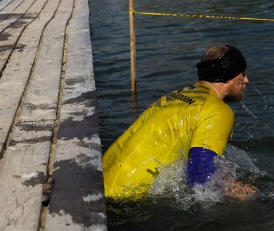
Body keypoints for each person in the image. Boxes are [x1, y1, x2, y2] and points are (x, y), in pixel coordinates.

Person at [103, 45, 258, 202]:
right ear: (228, 74)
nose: (246, 80)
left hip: (99, 180)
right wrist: (252, 194)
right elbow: (200, 179)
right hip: (124, 201)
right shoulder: (217, 111)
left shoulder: (176, 95)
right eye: (242, 74)